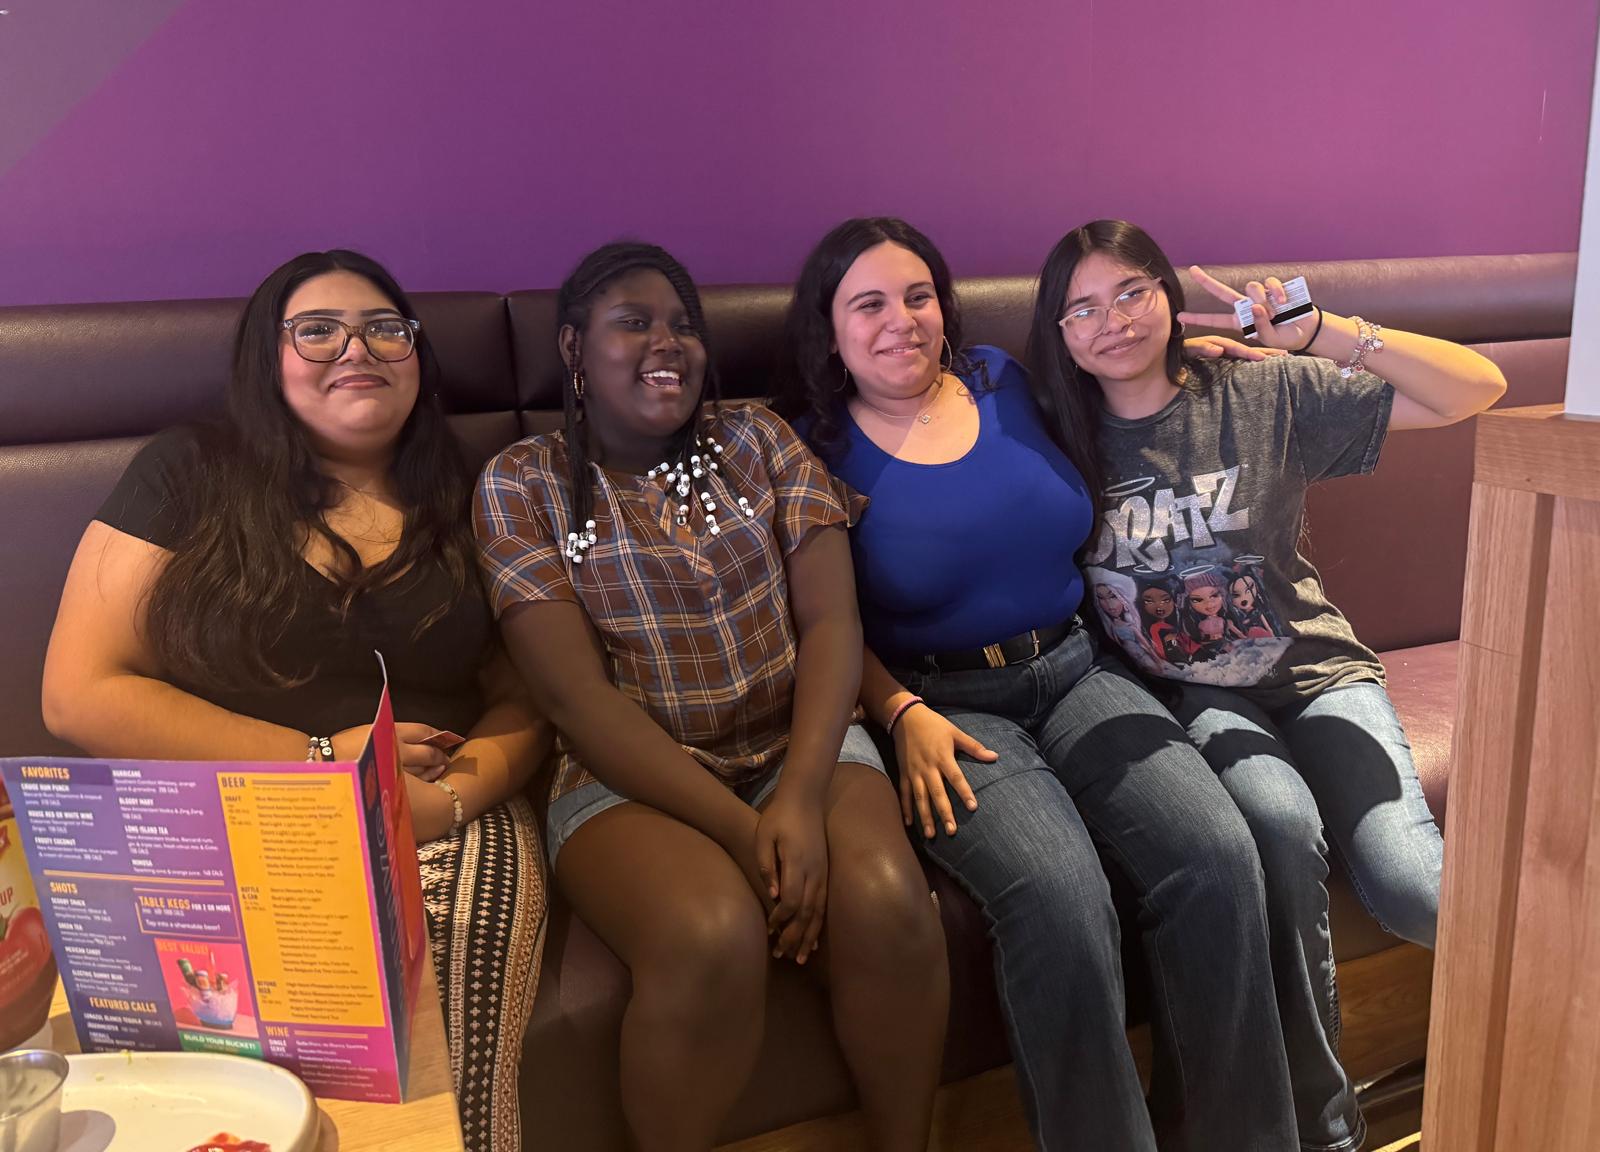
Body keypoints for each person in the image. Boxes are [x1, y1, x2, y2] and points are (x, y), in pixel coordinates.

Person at [775, 216, 1296, 1152]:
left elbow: (1127, 395)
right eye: (869, 304)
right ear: (830, 328)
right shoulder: (811, 447)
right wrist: (898, 713)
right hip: (948, 709)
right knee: (1060, 897)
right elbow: (817, 621)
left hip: (1079, 667)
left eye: (918, 296)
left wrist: (1198, 369)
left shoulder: (1001, 378)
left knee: (1218, 853)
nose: (901, 321)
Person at [40, 250, 550, 1152]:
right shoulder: (190, 469)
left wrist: (442, 802)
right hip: (219, 809)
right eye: (317, 331)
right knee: (214, 1089)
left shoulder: (472, 487)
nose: (357, 349)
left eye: (386, 329)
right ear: (266, 357)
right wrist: (320, 764)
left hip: (439, 810)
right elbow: (80, 693)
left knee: (438, 1073)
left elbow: (529, 696)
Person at [1025, 218, 1507, 1151]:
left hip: (1317, 672)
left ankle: (1555, 1019)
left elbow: (1476, 388)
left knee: (1415, 886)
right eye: (1081, 309)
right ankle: (1327, 1130)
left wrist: (1320, 331)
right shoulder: (1051, 437)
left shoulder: (1258, 389)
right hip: (1197, 695)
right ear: (1058, 333)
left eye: (1130, 292)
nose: (1112, 321)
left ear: (1167, 295)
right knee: (1277, 828)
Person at [473, 242, 947, 1152]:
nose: (668, 343)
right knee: (710, 934)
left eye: (684, 326)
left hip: (797, 741)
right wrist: (745, 833)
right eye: (635, 323)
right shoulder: (521, 483)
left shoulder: (758, 440)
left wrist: (797, 801)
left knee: (889, 901)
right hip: (625, 776)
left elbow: (832, 624)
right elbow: (576, 702)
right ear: (574, 350)